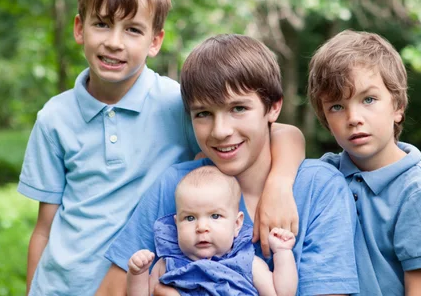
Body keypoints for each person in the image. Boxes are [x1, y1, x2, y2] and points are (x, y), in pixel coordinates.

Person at [17, 0, 305, 296]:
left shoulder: (176, 104)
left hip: (138, 276)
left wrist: (280, 185)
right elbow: (44, 228)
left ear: (155, 41)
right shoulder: (54, 117)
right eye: (102, 24)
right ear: (80, 28)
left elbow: (282, 133)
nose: (114, 42)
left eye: (133, 30)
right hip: (60, 286)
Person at [98, 34, 359, 296]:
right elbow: (112, 290)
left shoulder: (319, 189)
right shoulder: (175, 184)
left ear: (273, 108)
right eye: (203, 114)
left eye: (238, 108)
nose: (221, 131)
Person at [308, 29, 421, 296]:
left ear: (397, 106)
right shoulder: (323, 175)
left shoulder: (418, 190)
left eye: (369, 99)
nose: (353, 117)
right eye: (337, 107)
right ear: (325, 119)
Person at [127, 165, 298, 296]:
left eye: (215, 216)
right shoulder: (168, 263)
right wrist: (138, 274)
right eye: (190, 218)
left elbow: (281, 293)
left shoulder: (246, 262)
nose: (202, 228)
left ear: (237, 224)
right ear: (176, 224)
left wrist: (282, 253)